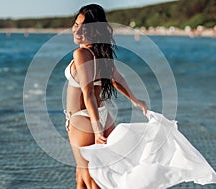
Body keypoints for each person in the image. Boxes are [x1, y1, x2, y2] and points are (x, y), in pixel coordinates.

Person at [64, 4, 147, 189]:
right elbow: (117, 79)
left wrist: (96, 127)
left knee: (91, 178)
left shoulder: (81, 53)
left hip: (84, 120)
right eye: (76, 24)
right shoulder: (99, 52)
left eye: (83, 27)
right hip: (102, 115)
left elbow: (87, 93)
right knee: (84, 176)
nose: (77, 30)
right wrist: (135, 99)